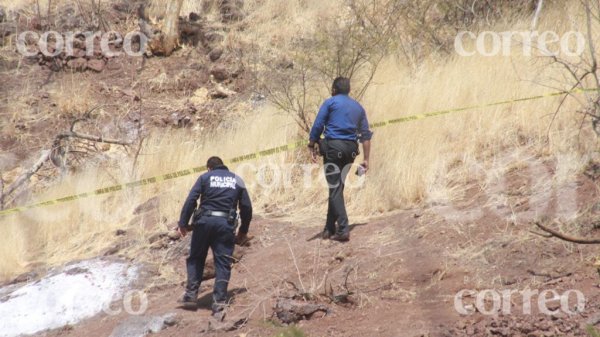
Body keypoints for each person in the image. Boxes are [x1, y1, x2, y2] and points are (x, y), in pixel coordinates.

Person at [177, 156, 252, 319]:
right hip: (225, 225)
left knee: (196, 258)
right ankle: (219, 304)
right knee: (223, 262)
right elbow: (246, 207)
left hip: (203, 223)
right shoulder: (237, 179)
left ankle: (190, 296)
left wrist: (183, 223)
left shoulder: (205, 177)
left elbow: (191, 200)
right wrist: (243, 231)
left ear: (209, 168)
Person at [307, 77, 372, 242]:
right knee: (336, 188)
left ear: (334, 89)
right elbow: (366, 135)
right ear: (348, 90)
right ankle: (329, 228)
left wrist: (312, 143)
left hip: (334, 149)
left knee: (335, 189)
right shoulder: (358, 107)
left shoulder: (330, 103)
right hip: (351, 151)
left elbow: (318, 124)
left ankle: (343, 229)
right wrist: (366, 159)